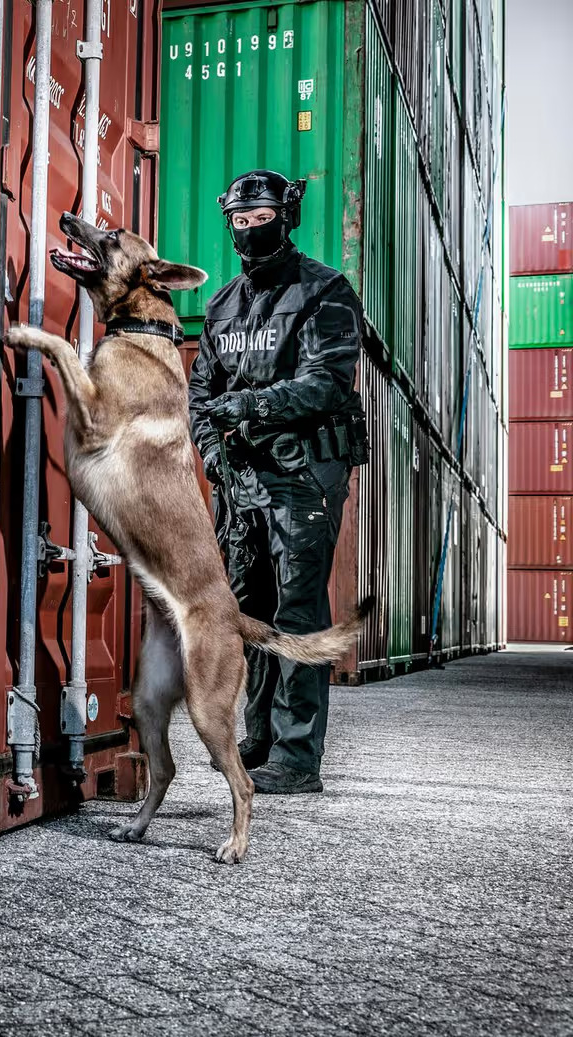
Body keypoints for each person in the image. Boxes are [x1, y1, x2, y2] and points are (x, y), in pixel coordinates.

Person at [187, 169, 370, 795]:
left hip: (303, 475)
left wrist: (250, 407)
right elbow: (201, 394)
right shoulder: (221, 306)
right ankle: (258, 738)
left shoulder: (326, 291)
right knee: (248, 610)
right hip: (240, 480)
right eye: (238, 221)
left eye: (259, 219)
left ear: (284, 217)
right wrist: (212, 454)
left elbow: (327, 381)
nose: (247, 231)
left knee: (295, 611)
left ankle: (297, 756)